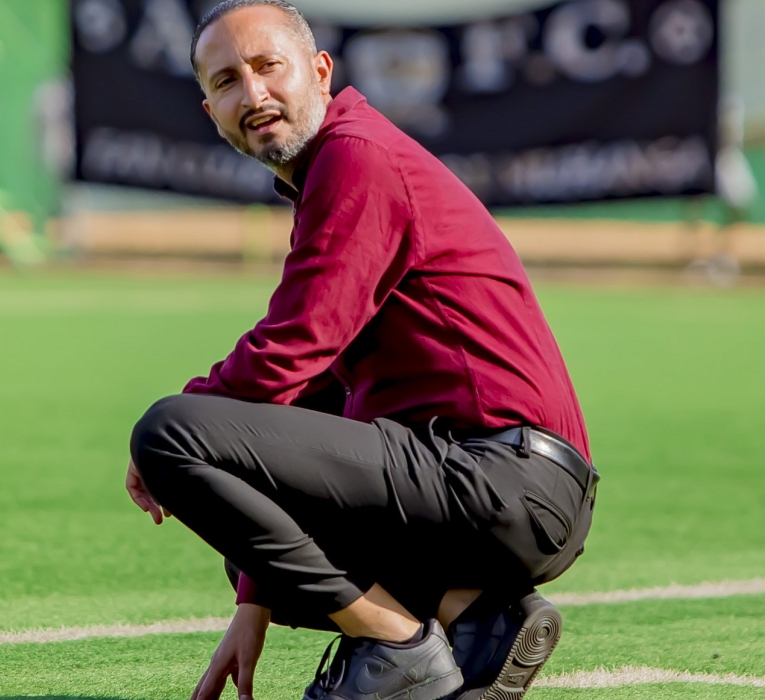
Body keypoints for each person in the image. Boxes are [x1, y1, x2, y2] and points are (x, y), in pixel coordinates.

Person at [125, 2, 599, 699]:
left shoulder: (357, 155)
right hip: (507, 486)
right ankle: (477, 621)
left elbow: (292, 350)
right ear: (210, 110)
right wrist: (252, 602)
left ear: (319, 72)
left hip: (505, 476)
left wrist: (163, 444)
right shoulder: (334, 165)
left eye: (266, 67)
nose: (252, 95)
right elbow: (312, 393)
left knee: (172, 433)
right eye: (227, 82)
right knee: (252, 542)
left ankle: (397, 646)